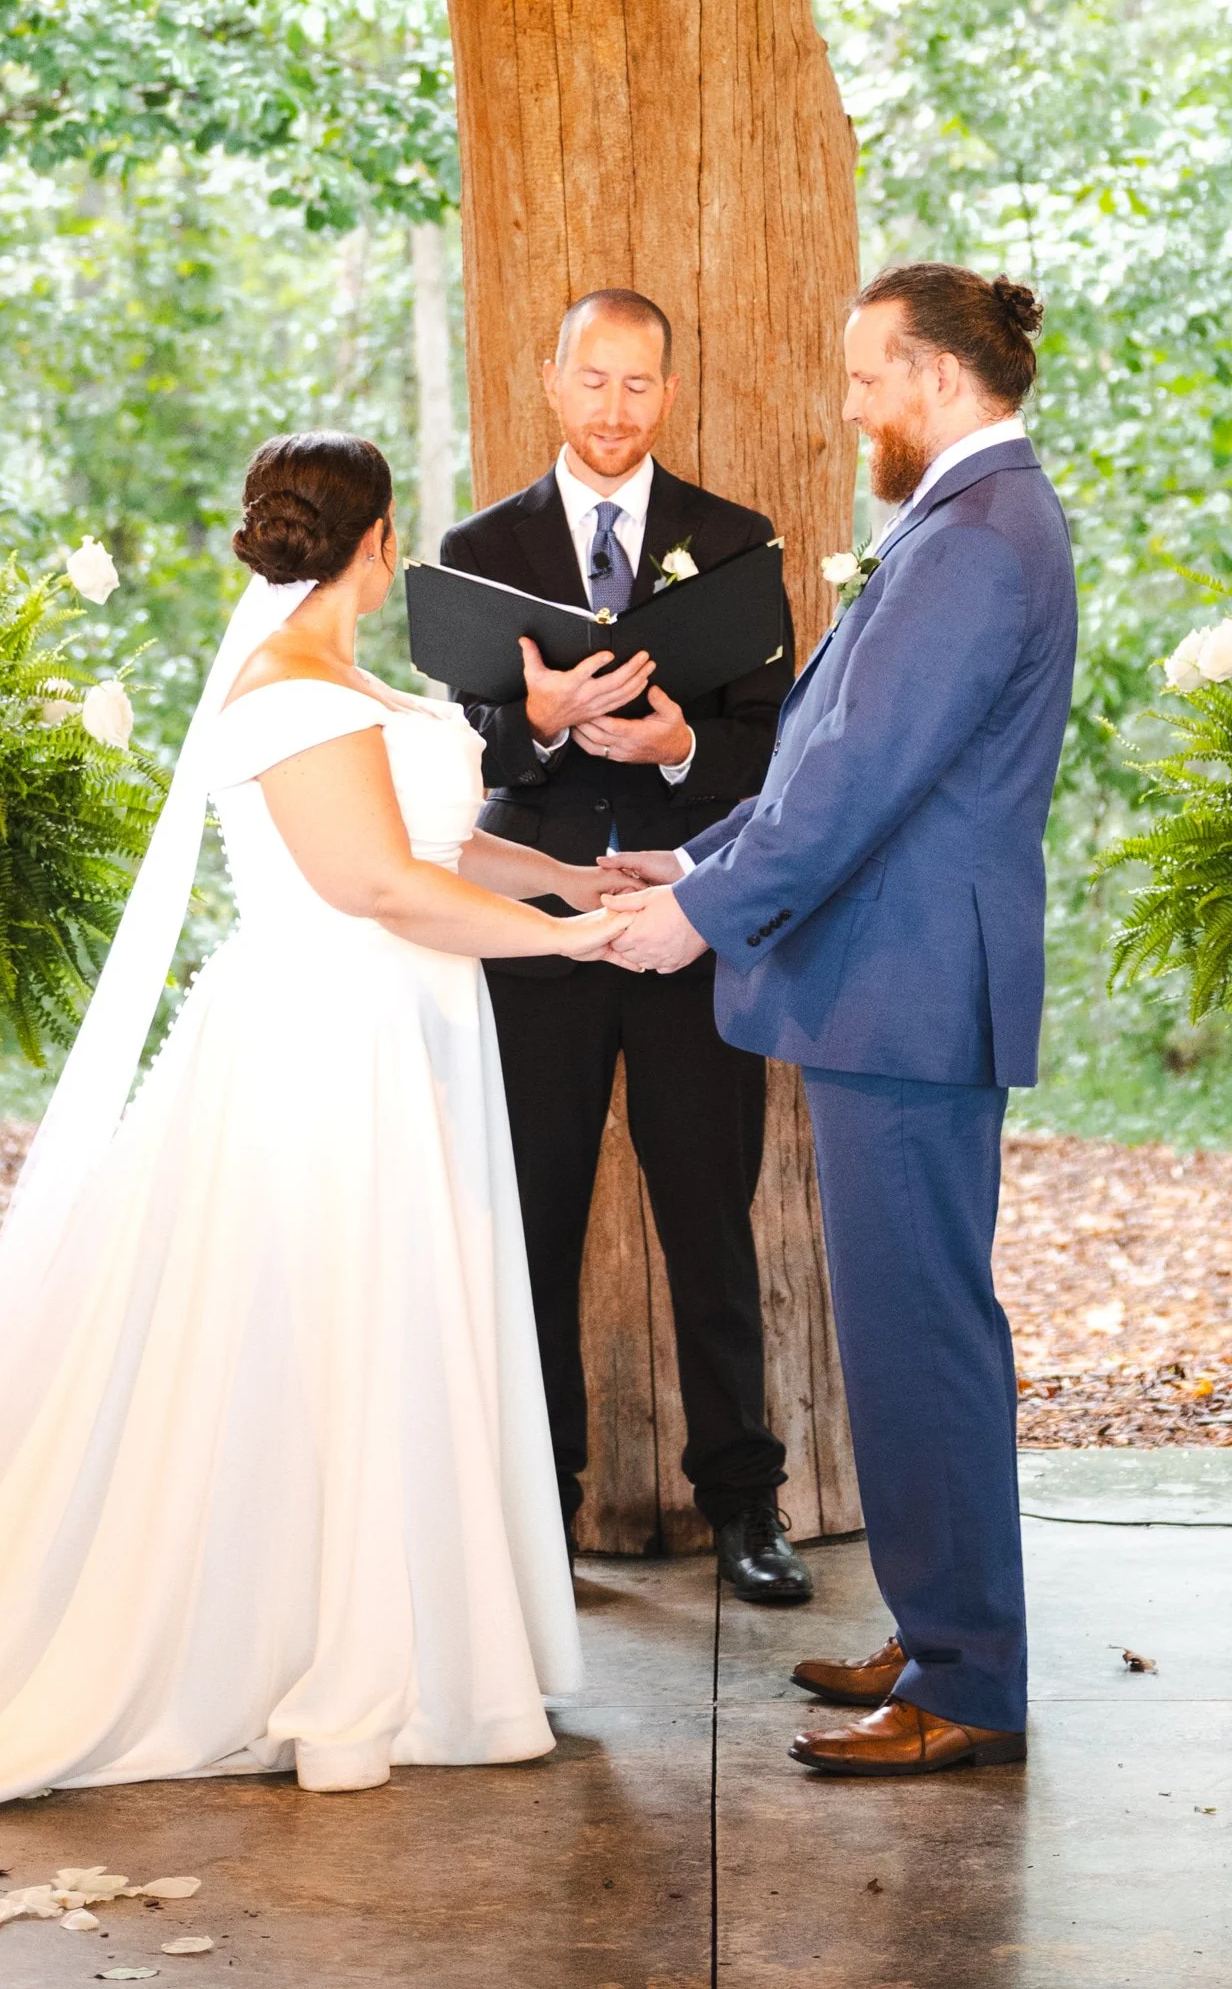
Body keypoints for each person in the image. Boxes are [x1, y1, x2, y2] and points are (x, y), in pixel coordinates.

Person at [0, 431, 618, 1814]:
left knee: (398, 1323)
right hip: (330, 1045)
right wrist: (573, 946)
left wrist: (569, 879)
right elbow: (376, 884)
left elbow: (438, 844)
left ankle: (425, 1640)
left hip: (409, 1036)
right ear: (380, 538)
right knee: (337, 1330)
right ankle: (335, 1650)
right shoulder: (282, 695)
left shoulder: (357, 684)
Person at [602, 266, 1074, 1777]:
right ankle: (942, 1635)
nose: (854, 400)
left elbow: (861, 781)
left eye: (871, 373)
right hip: (896, 985)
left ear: (938, 375)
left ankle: (969, 1683)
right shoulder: (961, 521)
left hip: (911, 992)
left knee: (921, 1337)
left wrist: (702, 918)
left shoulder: (977, 538)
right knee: (907, 1330)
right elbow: (830, 761)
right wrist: (696, 862)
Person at [439, 289, 809, 1605]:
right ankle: (541, 1501)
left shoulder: (736, 541)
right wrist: (540, 721)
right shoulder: (480, 549)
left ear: (669, 391)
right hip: (533, 926)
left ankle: (744, 1506)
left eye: (638, 384)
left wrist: (681, 744)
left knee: (709, 1212)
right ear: (552, 381)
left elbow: (775, 743)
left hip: (687, 917)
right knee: (530, 1217)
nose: (614, 409)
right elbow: (468, 748)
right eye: (592, 381)